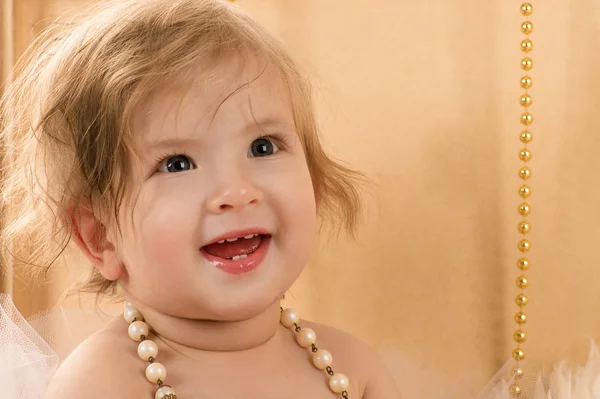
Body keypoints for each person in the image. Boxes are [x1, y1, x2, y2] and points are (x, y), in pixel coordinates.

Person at [0, 0, 400, 397]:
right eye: (177, 164)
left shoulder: (350, 367)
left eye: (262, 147)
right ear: (100, 236)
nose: (238, 192)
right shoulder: (101, 384)